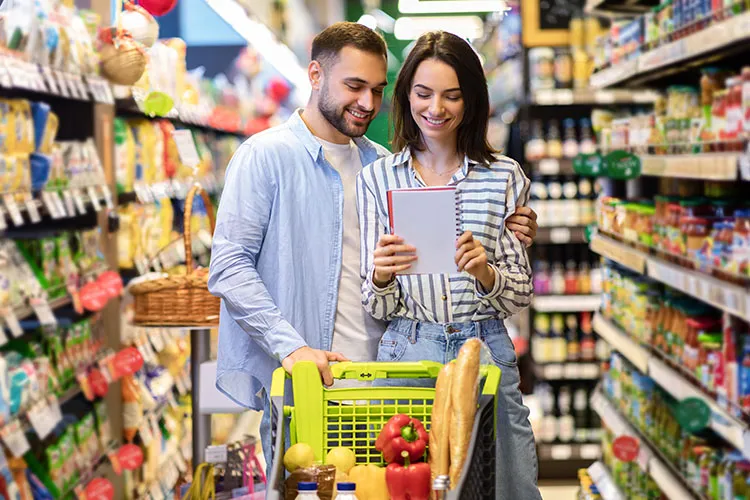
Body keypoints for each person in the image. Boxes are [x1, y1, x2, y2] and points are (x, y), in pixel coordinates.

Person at [207, 22, 538, 477]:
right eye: (354, 86)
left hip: (388, 378)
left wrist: (510, 228)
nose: (367, 103)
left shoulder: (382, 165)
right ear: (316, 75)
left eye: (377, 90)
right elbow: (227, 266)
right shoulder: (266, 156)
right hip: (313, 382)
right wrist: (293, 348)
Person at [357, 31, 541, 499]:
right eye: (423, 93)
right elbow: (375, 304)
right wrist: (381, 274)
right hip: (407, 348)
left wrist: (485, 273)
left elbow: (519, 293)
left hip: (485, 346)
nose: (435, 108)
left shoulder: (504, 177)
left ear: (471, 99)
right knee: (410, 487)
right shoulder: (378, 179)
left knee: (511, 487)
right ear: (405, 96)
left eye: (452, 95)